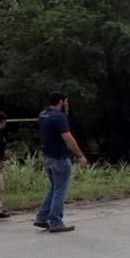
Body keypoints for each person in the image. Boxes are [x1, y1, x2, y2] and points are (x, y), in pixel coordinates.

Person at [35, 92, 87, 233]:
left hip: (47, 157)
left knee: (54, 188)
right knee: (60, 190)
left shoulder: (43, 115)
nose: (68, 104)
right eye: (66, 101)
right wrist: (80, 155)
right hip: (59, 158)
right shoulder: (59, 117)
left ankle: (41, 217)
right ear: (61, 102)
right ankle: (56, 221)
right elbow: (68, 138)